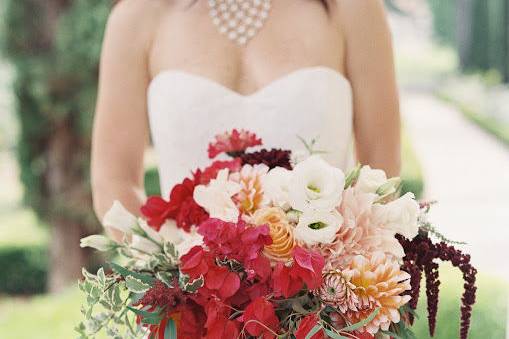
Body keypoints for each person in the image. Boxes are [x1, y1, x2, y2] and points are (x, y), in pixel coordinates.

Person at [91, 0, 400, 241]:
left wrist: (333, 288)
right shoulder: (136, 17)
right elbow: (113, 182)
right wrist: (174, 282)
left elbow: (382, 172)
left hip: (328, 310)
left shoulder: (351, 10)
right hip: (191, 304)